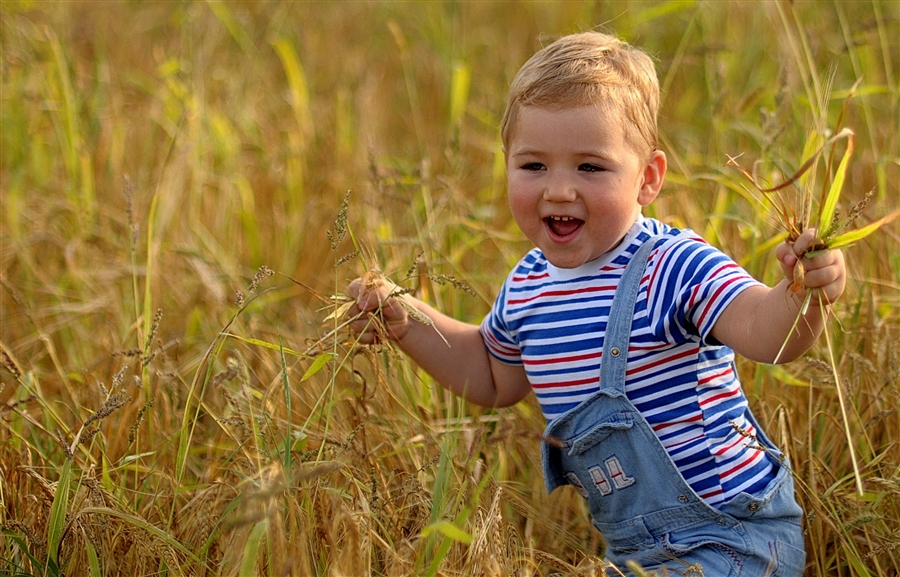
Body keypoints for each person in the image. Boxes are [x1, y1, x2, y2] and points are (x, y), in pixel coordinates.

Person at [348, 31, 845, 576]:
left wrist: (801, 295)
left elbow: (764, 334)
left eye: (590, 167)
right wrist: (406, 318)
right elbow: (491, 376)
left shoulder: (674, 266)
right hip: (632, 553)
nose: (559, 190)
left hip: (731, 537)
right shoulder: (528, 285)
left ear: (647, 178)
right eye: (534, 166)